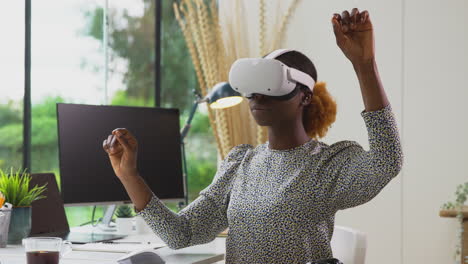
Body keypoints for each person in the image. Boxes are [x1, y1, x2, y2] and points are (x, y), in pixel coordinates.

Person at [102, 8, 403, 263]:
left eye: (271, 85)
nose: (258, 96)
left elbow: (386, 161)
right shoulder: (241, 162)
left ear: (304, 97)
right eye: (252, 87)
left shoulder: (327, 165)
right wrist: (129, 175)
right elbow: (181, 233)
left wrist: (365, 66)